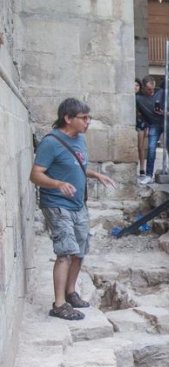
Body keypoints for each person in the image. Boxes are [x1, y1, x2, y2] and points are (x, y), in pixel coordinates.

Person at [29, 98, 115, 320]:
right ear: (68, 118)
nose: (88, 122)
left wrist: (95, 174)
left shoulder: (80, 140)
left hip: (78, 204)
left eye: (89, 117)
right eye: (84, 118)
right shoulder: (51, 143)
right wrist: (57, 184)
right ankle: (59, 304)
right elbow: (35, 175)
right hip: (57, 205)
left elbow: (76, 166)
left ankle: (71, 292)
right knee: (65, 252)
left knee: (79, 251)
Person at [135, 75, 165, 179]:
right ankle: (148, 175)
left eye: (153, 89)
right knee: (151, 149)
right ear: (143, 87)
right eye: (148, 89)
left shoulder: (161, 92)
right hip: (153, 124)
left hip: (165, 121)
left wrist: (163, 111)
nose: (151, 92)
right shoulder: (138, 98)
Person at [134, 79, 150, 184]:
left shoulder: (142, 98)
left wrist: (147, 126)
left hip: (141, 123)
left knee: (140, 147)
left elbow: (146, 112)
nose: (135, 87)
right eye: (133, 85)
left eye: (137, 85)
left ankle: (142, 168)